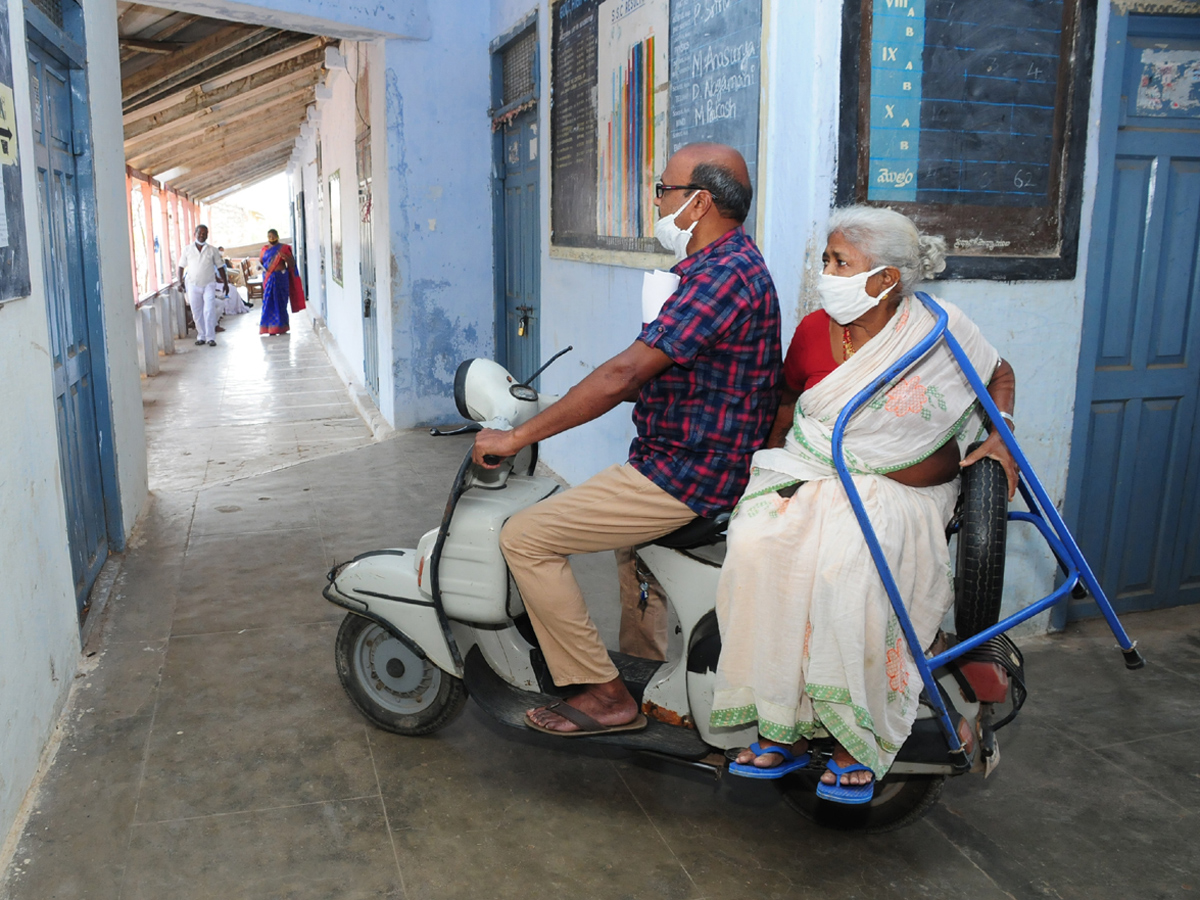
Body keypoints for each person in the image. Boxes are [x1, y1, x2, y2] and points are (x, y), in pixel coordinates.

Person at [472, 142, 782, 737]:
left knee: (527, 536)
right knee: (631, 568)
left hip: (683, 475)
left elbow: (621, 376)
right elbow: (688, 372)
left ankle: (605, 695)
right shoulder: (722, 267)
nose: (657, 203)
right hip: (679, 458)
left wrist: (516, 438)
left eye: (663, 191)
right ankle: (641, 674)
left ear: (699, 203)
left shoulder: (721, 275)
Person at [710, 205, 1017, 804]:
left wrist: (999, 435)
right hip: (819, 474)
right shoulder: (811, 331)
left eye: (840, 261)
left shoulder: (940, 329)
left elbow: (999, 372)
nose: (825, 271)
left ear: (885, 279)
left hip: (908, 492)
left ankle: (858, 738)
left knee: (849, 572)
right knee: (755, 547)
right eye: (826, 258)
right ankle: (785, 724)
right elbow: (786, 404)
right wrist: (772, 473)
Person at [177, 224, 229, 347]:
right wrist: (180, 282)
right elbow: (180, 266)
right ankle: (201, 335)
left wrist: (225, 283)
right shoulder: (187, 250)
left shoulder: (212, 250)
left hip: (209, 284)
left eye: (204, 234)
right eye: (200, 233)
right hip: (193, 285)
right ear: (195, 234)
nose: (202, 235)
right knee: (197, 312)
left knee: (209, 310)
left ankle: (210, 337)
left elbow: (220, 267)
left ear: (207, 235)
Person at [259, 229, 301, 335]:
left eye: (273, 236)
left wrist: (285, 258)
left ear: (278, 236)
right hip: (269, 279)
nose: (271, 238)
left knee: (281, 303)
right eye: (269, 236)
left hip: (281, 278)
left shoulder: (284, 248)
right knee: (268, 303)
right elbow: (260, 262)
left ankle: (282, 327)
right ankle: (270, 328)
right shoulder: (264, 249)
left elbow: (292, 264)